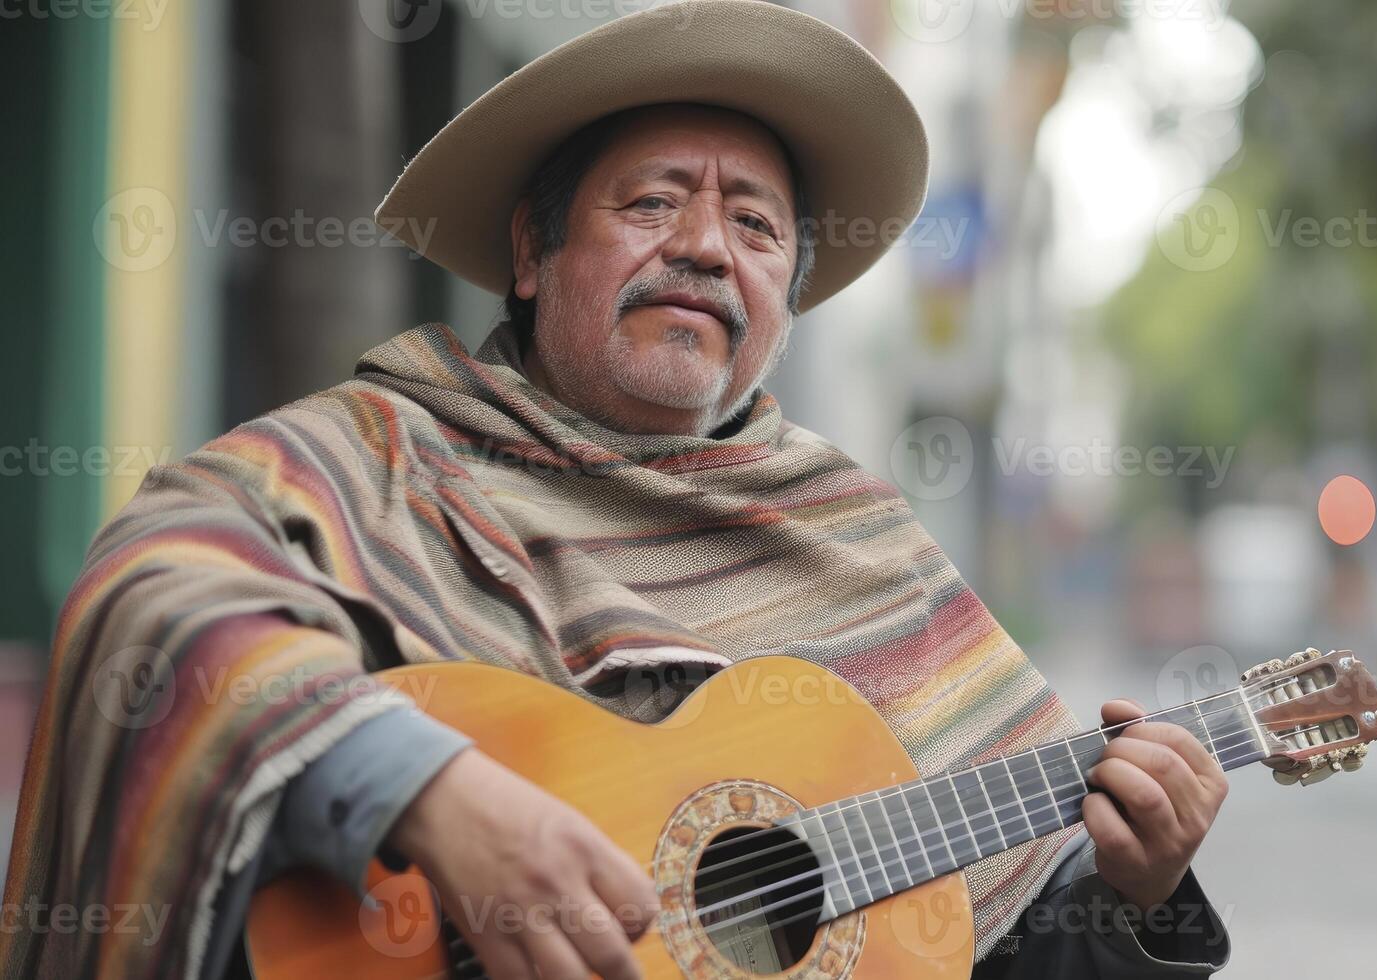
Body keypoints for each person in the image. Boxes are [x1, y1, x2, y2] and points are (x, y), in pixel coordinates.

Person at [1, 3, 1232, 977]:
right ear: (533, 254)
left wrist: (1134, 902)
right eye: (651, 203)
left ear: (783, 306)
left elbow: (971, 951)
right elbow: (150, 595)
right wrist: (428, 789)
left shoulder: (866, 549)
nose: (705, 245)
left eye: (755, 226)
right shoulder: (378, 454)